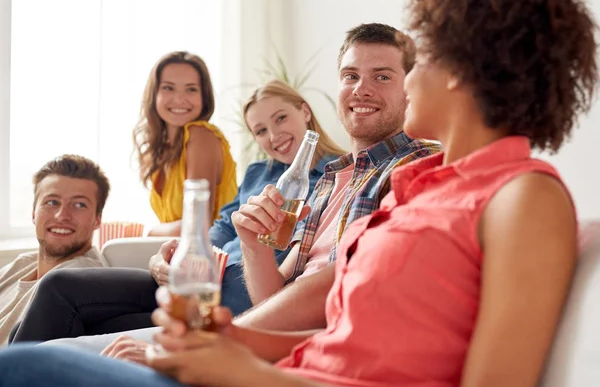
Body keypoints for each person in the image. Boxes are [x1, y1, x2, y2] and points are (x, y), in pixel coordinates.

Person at [0, 0, 596, 387]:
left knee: (22, 368)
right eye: (354, 75)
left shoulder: (524, 197)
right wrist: (225, 340)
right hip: (266, 370)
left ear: (464, 69)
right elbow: (338, 333)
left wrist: (246, 370)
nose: (398, 82)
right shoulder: (424, 189)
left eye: (418, 60)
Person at [10, 23, 439, 359]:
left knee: (42, 357)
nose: (361, 89)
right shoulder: (329, 180)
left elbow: (341, 280)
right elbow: (276, 295)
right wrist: (251, 243)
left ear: (410, 86)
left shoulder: (415, 168)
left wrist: (221, 338)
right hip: (255, 326)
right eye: (350, 75)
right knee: (53, 345)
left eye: (381, 76)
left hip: (275, 341)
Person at [9, 80, 346, 344]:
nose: (273, 136)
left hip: (228, 300)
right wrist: (168, 256)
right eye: (260, 130)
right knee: (60, 284)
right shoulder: (258, 173)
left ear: (304, 112)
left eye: (281, 118)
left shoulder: (338, 177)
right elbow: (220, 229)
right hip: (186, 283)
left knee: (88, 323)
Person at [0, 154, 110, 346]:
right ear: (34, 213)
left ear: (97, 220)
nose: (62, 215)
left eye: (79, 205)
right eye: (52, 202)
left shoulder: (79, 278)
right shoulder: (23, 263)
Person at [133, 51, 238, 236]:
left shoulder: (201, 135)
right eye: (168, 88)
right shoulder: (162, 149)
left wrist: (148, 233)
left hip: (212, 257)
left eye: (191, 89)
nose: (180, 99)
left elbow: (197, 224)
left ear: (203, 97)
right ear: (154, 93)